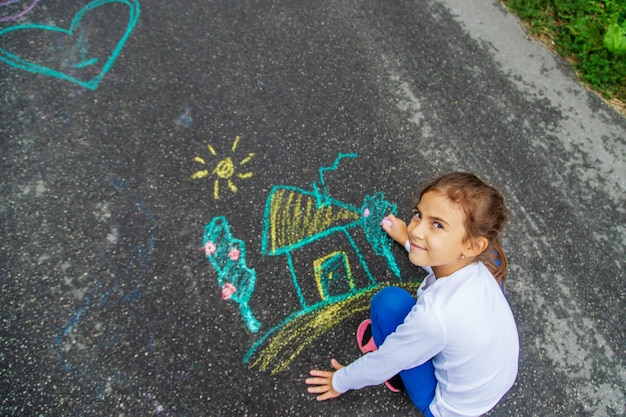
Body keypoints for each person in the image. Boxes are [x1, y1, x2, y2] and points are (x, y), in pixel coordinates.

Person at [305, 172, 519, 417]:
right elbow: (441, 259)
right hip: (489, 385)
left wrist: (338, 382)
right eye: (419, 215)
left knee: (389, 304)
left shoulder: (435, 316)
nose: (416, 230)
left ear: (472, 246)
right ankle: (416, 355)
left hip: (444, 407)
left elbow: (385, 362)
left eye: (437, 225)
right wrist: (406, 240)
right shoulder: (483, 267)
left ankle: (399, 378)